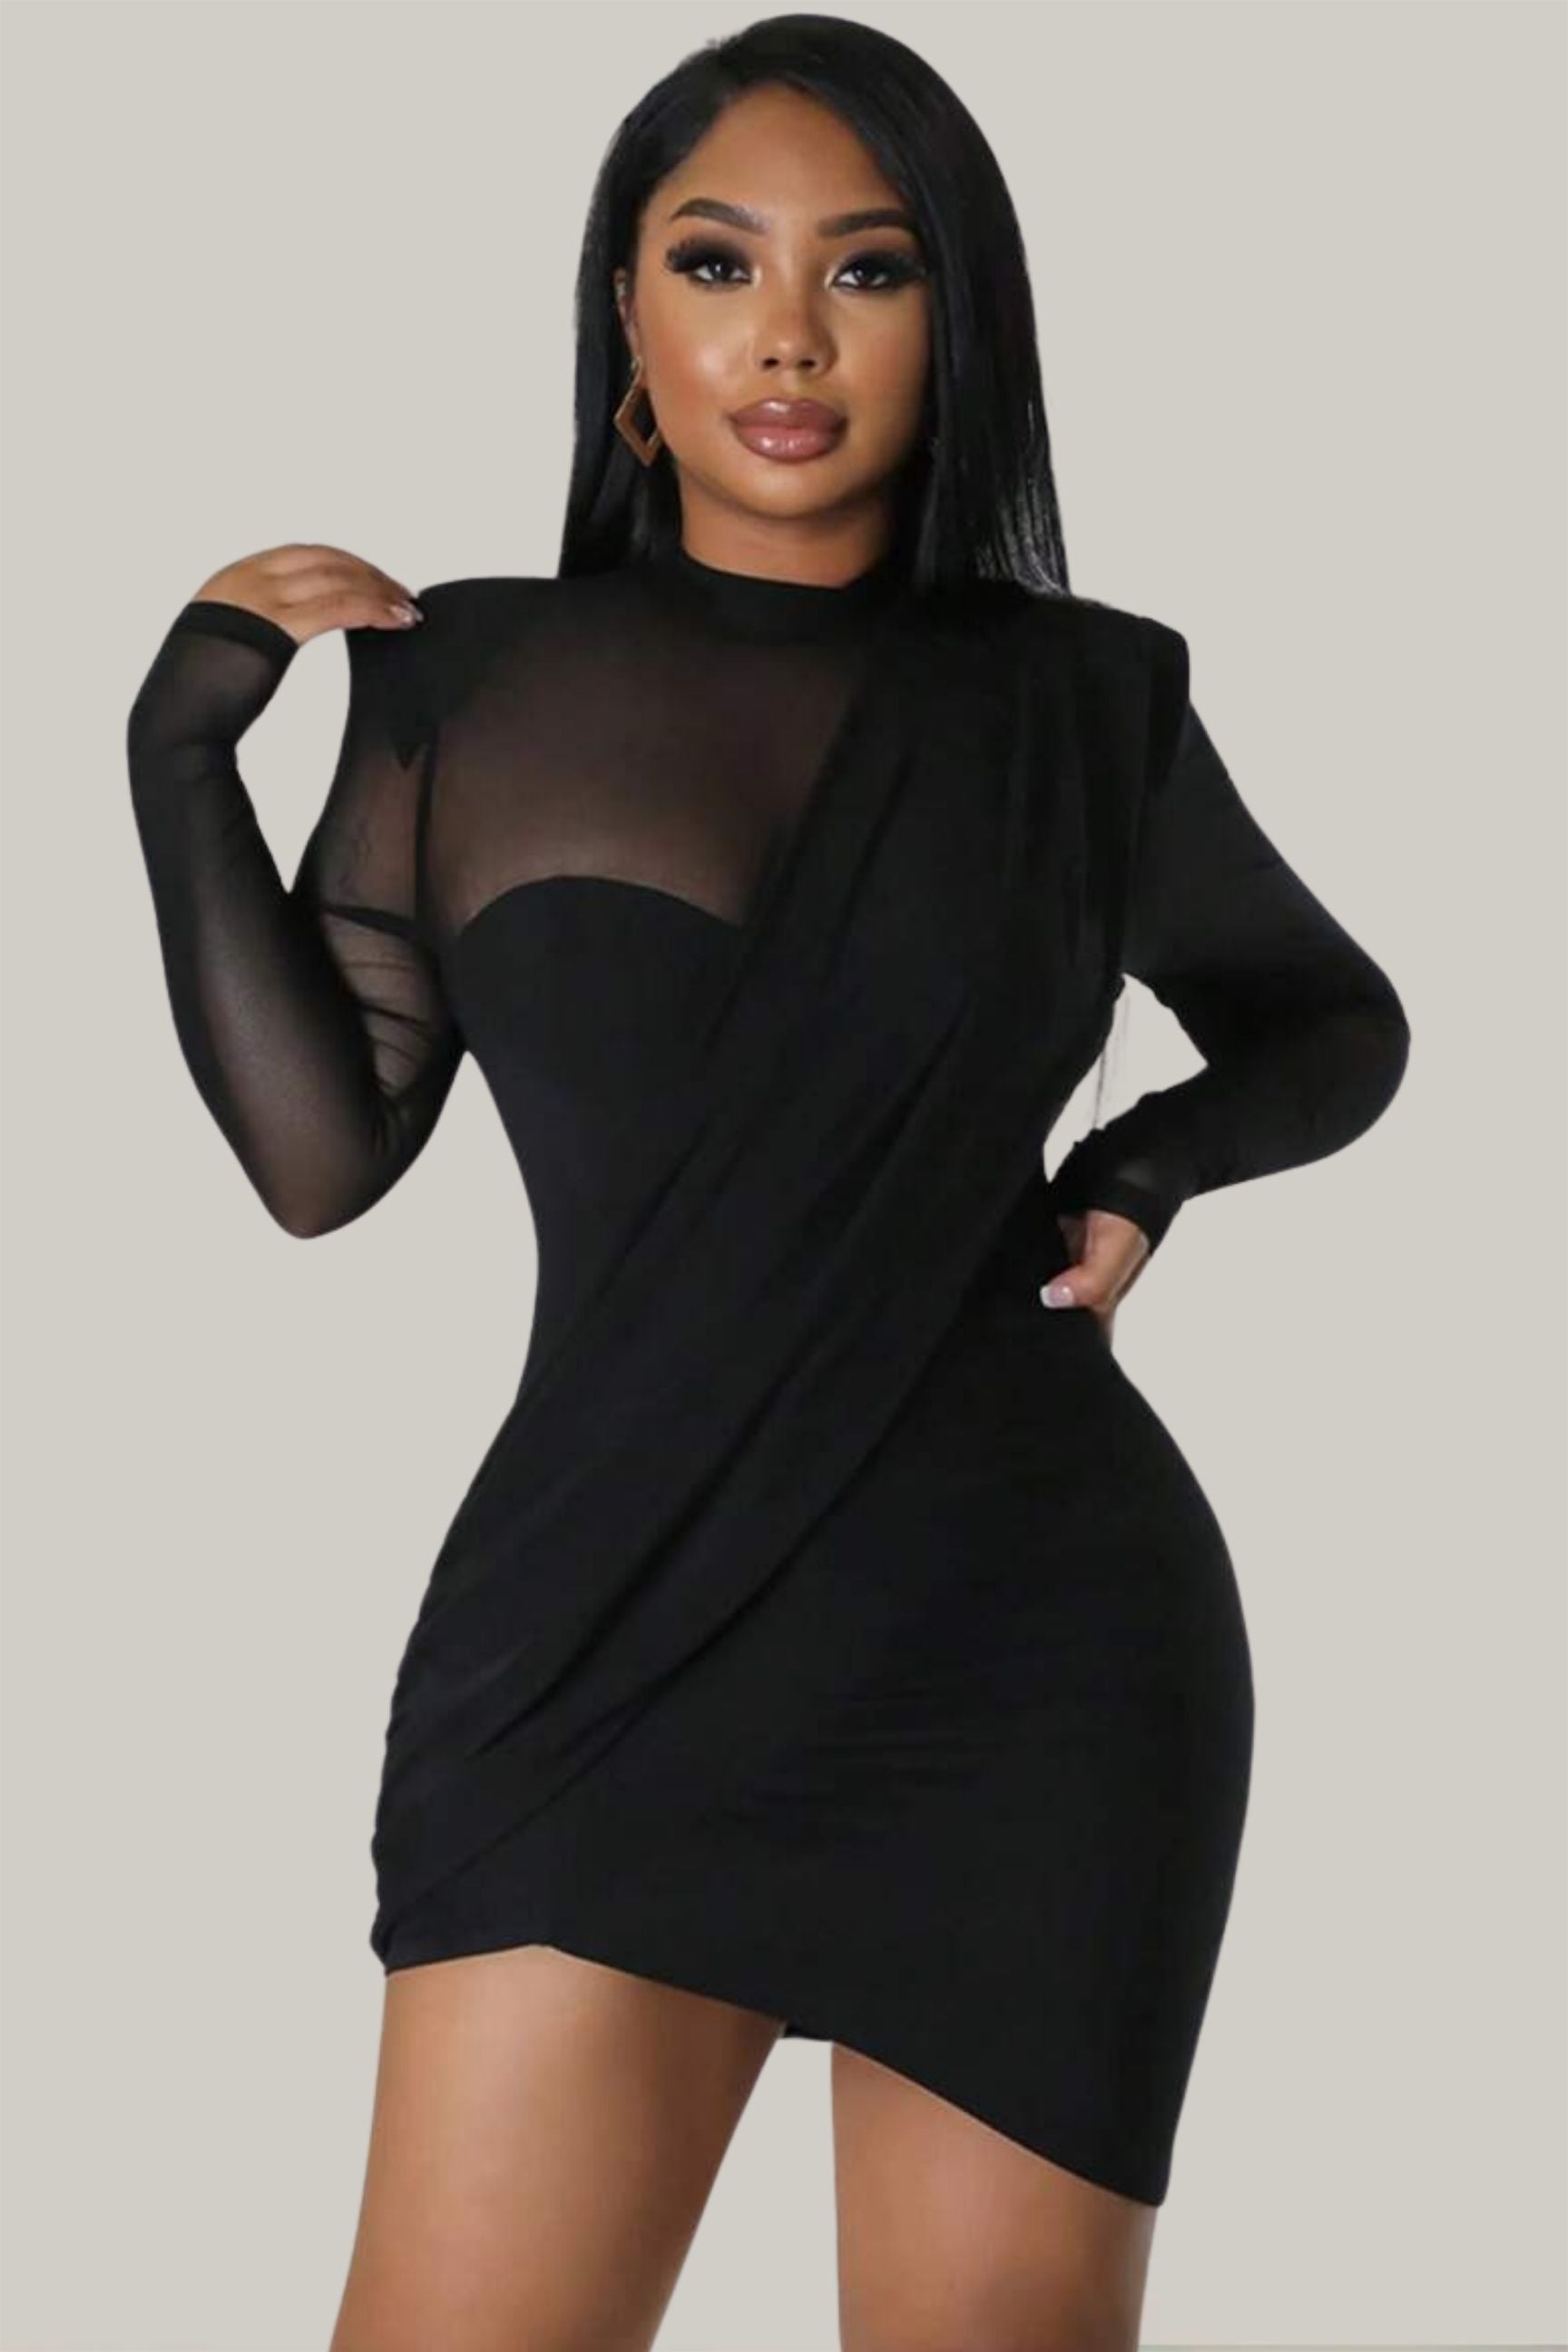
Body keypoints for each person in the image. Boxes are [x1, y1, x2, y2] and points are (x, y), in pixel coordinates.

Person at [124, 17, 1410, 2350]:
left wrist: (1145, 1165)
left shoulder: (1083, 701)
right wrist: (181, 756)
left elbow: (1332, 1019)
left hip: (1033, 1655)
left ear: (957, 319)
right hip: (601, 1639)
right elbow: (323, 1161)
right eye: (718, 263)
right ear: (625, 310)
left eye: (869, 270)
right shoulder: (468, 679)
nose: (789, 334)